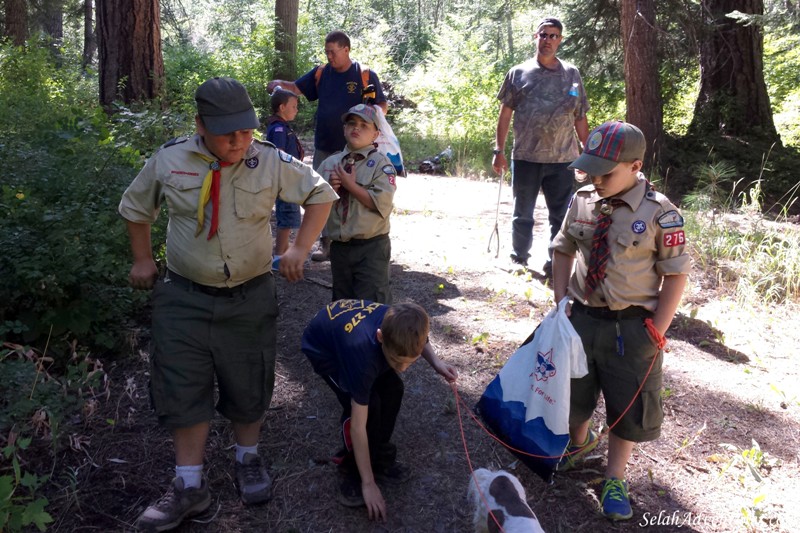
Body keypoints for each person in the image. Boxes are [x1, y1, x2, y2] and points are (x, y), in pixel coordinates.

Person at [118, 77, 337, 532]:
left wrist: (298, 248)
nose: (239, 142)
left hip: (249, 295)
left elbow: (320, 193)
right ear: (200, 125)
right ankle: (189, 486)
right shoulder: (170, 159)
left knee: (248, 378)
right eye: (227, 133)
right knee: (182, 382)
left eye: (245, 130)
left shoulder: (268, 159)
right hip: (183, 296)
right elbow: (136, 208)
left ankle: (248, 458)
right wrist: (142, 259)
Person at [550, 121, 691, 521]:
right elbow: (563, 249)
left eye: (606, 173)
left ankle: (614, 477)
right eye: (590, 171)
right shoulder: (582, 200)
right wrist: (561, 301)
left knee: (626, 406)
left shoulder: (661, 214)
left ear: (635, 165)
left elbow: (676, 273)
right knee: (573, 395)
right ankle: (578, 445)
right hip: (580, 318)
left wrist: (657, 330)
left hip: (631, 327)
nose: (596, 180)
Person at [300, 299, 458, 522]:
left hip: (363, 342)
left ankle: (378, 457)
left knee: (394, 387)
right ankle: (354, 471)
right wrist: (368, 483)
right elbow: (357, 426)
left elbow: (419, 342)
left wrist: (436, 363)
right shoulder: (361, 359)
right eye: (396, 361)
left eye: (408, 363)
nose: (402, 368)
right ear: (381, 338)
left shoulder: (403, 326)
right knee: (369, 408)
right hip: (326, 351)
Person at [267, 30, 388, 261]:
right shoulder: (322, 73)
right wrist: (278, 84)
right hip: (324, 145)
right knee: (323, 193)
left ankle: (353, 241)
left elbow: (381, 105)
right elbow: (297, 88)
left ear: (346, 50)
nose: (329, 56)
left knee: (352, 192)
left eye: (333, 52)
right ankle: (326, 245)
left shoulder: (363, 75)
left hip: (354, 150)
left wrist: (372, 115)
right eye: (326, 52)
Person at [492, 17, 590, 276]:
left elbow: (580, 115)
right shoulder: (518, 72)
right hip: (526, 156)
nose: (548, 40)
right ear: (535, 37)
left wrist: (587, 154)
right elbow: (504, 115)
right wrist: (498, 151)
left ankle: (554, 263)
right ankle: (519, 259)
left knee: (560, 216)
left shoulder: (571, 74)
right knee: (522, 213)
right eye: (544, 35)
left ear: (560, 40)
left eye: (553, 36)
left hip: (563, 159)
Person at [317, 103, 396, 304]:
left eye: (364, 125)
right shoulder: (329, 164)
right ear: (344, 129)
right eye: (351, 123)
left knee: (372, 302)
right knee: (343, 303)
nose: (356, 128)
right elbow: (312, 206)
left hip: (371, 247)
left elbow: (381, 204)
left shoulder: (381, 164)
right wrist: (331, 192)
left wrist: (350, 186)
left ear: (376, 134)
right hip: (340, 248)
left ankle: (375, 336)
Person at [266, 87, 305, 256]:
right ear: (282, 107)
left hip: (289, 179)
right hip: (285, 181)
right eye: (294, 106)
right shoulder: (279, 129)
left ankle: (283, 251)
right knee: (287, 217)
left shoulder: (283, 126)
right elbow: (278, 155)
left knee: (289, 216)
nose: (296, 110)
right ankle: (279, 255)